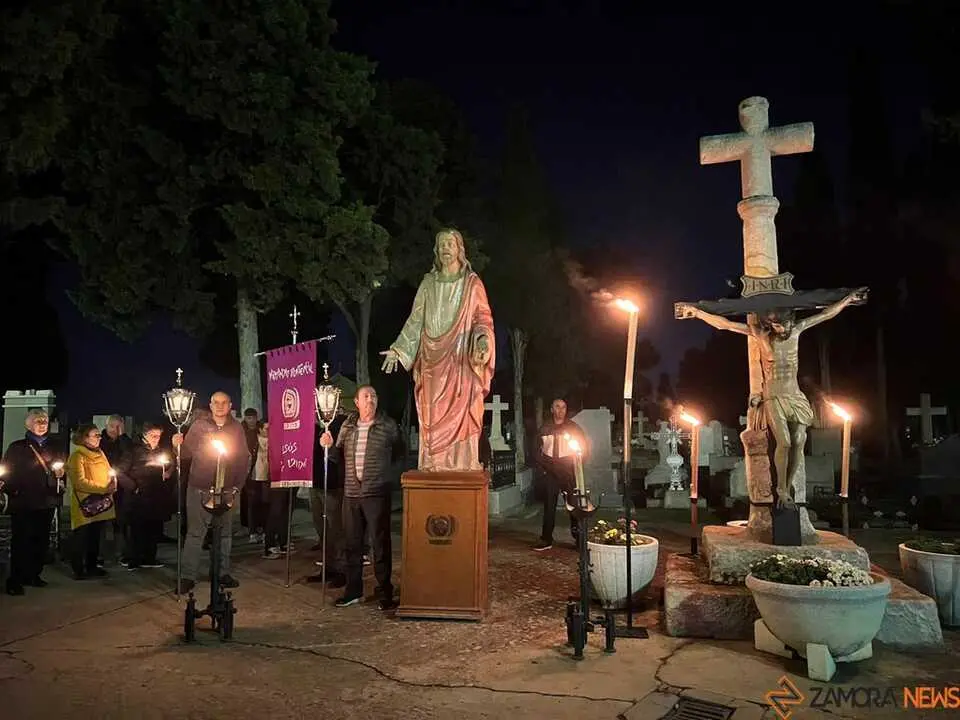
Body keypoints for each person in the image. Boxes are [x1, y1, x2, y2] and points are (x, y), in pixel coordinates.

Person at [380, 228, 495, 471]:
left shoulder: (472, 284)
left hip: (461, 359)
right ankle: (434, 463)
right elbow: (416, 320)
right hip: (432, 361)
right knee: (432, 416)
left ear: (459, 249)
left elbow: (483, 317)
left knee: (464, 410)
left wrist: (483, 340)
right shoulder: (428, 283)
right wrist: (399, 350)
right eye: (441, 244)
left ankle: (462, 462)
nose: (445, 248)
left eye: (449, 244)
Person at [320, 385, 398, 609]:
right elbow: (336, 455)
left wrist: (387, 476)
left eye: (373, 395)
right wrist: (327, 445)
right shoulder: (348, 426)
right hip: (352, 494)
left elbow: (399, 453)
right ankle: (353, 590)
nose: (370, 399)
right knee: (352, 544)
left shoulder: (388, 425)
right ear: (357, 402)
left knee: (380, 544)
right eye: (366, 396)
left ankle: (385, 592)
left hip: (377, 493)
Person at [172, 392, 250, 594]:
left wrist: (236, 487)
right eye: (216, 402)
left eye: (224, 402)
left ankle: (221, 572)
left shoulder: (236, 428)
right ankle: (188, 576)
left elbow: (243, 458)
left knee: (224, 534)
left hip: (227, 489)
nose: (220, 406)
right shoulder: (199, 426)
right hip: (200, 487)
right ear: (210, 404)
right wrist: (176, 445)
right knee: (195, 534)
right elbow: (186, 453)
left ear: (230, 405)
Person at [1, 409, 66, 595]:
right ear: (28, 425)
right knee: (21, 541)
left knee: (41, 540)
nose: (42, 423)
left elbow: (62, 469)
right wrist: (13, 490)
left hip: (46, 501)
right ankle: (15, 579)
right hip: (23, 502)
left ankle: (33, 574)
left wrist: (61, 475)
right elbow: (7, 472)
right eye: (38, 420)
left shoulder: (55, 446)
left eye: (45, 420)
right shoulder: (17, 447)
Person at [534, 398, 587, 552]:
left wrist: (576, 466)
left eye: (563, 407)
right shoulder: (544, 428)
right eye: (557, 406)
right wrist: (542, 467)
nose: (560, 410)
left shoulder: (573, 428)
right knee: (549, 506)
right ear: (552, 409)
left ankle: (578, 539)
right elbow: (536, 449)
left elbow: (583, 449)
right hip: (550, 469)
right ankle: (546, 539)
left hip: (567, 470)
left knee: (572, 505)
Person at [66, 423, 118, 580]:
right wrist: (103, 488)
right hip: (86, 504)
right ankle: (79, 569)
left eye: (99, 435)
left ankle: (92, 566)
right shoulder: (77, 456)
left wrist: (112, 483)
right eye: (95, 435)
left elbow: (109, 471)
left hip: (101, 503)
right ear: (84, 438)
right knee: (82, 537)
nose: (99, 438)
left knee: (95, 537)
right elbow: (79, 482)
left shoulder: (100, 453)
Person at [123, 422, 171, 569]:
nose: (156, 439)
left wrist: (168, 471)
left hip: (155, 495)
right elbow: (120, 471)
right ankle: (134, 559)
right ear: (145, 435)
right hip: (138, 496)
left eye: (158, 436)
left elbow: (169, 465)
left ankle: (149, 558)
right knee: (137, 529)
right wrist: (134, 487)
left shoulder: (160, 451)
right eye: (153, 436)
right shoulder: (133, 450)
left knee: (153, 528)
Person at [307, 414, 346, 588]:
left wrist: (330, 448)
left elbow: (340, 454)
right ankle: (328, 567)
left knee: (336, 530)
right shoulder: (308, 424)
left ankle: (341, 570)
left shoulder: (339, 423)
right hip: (313, 482)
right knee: (321, 529)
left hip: (332, 483)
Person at [240, 408, 267, 542]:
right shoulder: (241, 431)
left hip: (262, 471)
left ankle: (261, 528)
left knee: (262, 501)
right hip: (249, 471)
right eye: (248, 418)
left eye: (253, 418)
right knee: (250, 501)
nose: (251, 421)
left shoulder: (261, 430)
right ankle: (251, 530)